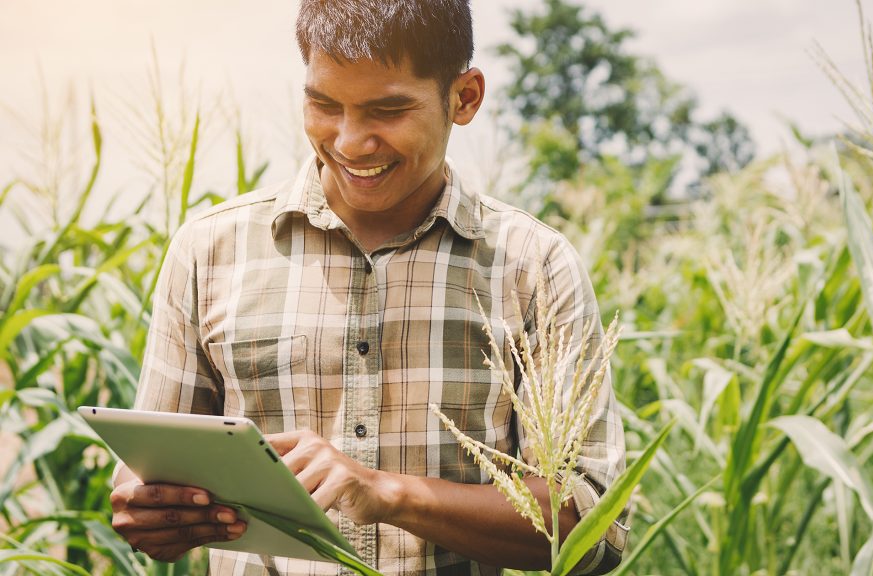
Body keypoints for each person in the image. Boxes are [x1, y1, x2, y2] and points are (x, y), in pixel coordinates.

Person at [108, 1, 628, 574]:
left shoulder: (532, 266)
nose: (352, 142)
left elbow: (593, 528)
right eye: (324, 105)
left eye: (388, 110)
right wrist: (151, 510)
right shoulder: (209, 252)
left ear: (465, 98)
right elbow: (148, 473)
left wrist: (385, 493)